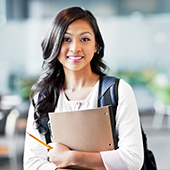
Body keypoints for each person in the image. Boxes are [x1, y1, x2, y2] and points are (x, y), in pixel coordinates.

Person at [24, 6, 144, 170]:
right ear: (54, 44)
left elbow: (132, 160)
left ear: (96, 46)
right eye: (66, 39)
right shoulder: (43, 97)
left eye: (85, 39)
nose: (75, 48)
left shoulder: (118, 90)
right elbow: (32, 163)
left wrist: (71, 158)